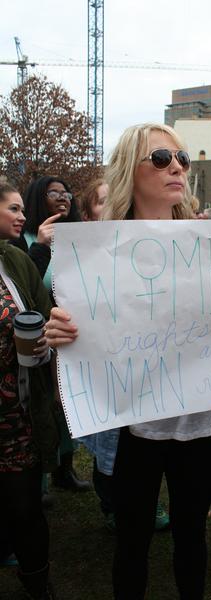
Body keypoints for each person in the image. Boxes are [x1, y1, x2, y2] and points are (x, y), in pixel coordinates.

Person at [44, 129, 211, 596]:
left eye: (181, 157)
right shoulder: (94, 256)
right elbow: (74, 334)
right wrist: (56, 335)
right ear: (130, 169)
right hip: (132, 430)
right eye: (161, 157)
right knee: (132, 544)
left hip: (200, 425)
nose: (178, 166)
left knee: (191, 538)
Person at [12, 176, 90, 494]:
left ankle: (65, 469)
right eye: (53, 193)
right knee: (41, 404)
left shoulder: (76, 238)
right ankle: (41, 474)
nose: (63, 198)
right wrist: (40, 245)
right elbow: (24, 288)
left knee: (66, 405)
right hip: (39, 334)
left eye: (66, 193)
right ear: (36, 198)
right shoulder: (23, 237)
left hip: (70, 334)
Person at [0, 182, 58, 599]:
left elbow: (45, 315)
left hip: (17, 418)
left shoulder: (16, 260)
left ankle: (37, 583)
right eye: (14, 208)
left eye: (23, 208)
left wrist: (46, 342)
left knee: (26, 510)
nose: (23, 217)